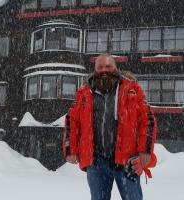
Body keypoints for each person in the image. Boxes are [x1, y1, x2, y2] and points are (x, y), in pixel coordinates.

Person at [63, 54, 157, 200]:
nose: (104, 70)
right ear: (94, 69)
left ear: (115, 68)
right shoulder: (84, 93)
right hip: (96, 161)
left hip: (127, 160)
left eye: (108, 66)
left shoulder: (132, 90)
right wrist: (70, 150)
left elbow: (148, 120)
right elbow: (71, 121)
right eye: (100, 67)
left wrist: (145, 150)